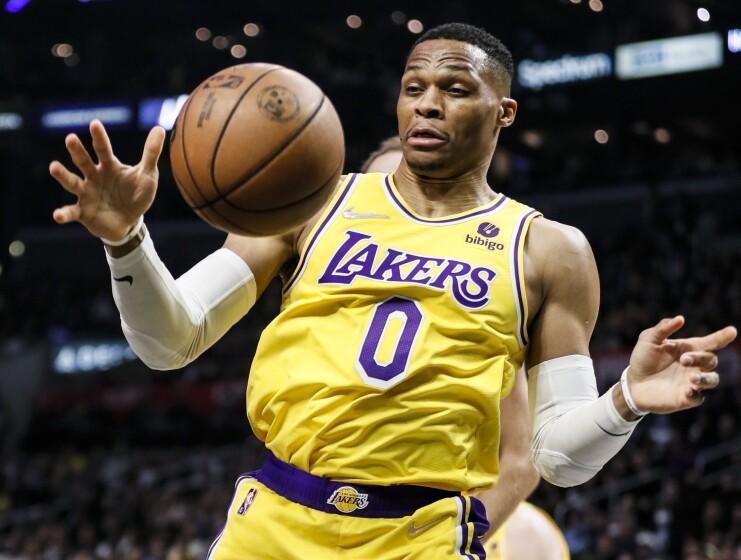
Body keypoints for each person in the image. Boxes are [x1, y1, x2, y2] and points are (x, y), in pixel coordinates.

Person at [49, 22, 736, 560]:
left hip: (420, 536)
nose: (428, 104)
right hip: (275, 526)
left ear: (503, 111)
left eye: (456, 89)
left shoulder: (548, 249)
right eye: (413, 87)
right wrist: (126, 241)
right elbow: (171, 341)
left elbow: (555, 457)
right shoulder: (311, 203)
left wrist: (625, 401)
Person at [363, 138, 568, 560]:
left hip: (433, 528)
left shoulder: (481, 318)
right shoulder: (319, 300)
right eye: (383, 190)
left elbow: (522, 458)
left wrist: (449, 540)